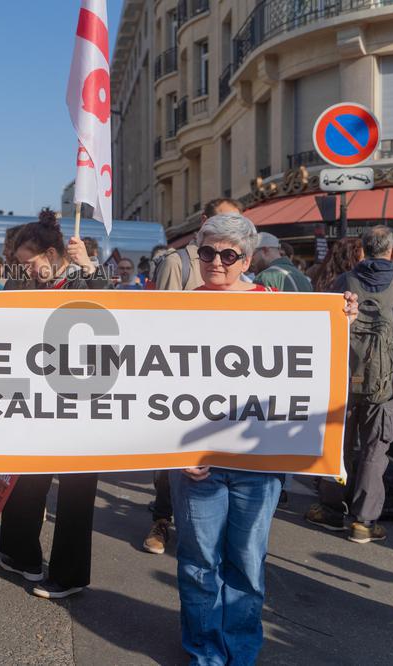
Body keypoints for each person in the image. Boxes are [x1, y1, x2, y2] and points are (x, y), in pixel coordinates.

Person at [172, 212, 357, 665]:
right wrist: (175, 448)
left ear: (248, 259)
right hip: (199, 461)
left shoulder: (275, 301)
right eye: (207, 252)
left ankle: (240, 650)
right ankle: (205, 654)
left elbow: (311, 357)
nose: (215, 262)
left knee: (248, 564)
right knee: (199, 565)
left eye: (227, 255)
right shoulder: (177, 306)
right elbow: (161, 383)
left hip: (258, 461)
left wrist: (341, 320)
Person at [0, 209, 103, 601]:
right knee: (25, 476)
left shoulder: (85, 281)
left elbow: (122, 310)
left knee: (76, 488)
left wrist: (91, 268)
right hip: (32, 396)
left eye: (32, 262)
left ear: (55, 253)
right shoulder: (18, 286)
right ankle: (19, 551)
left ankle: (69, 573)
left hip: (82, 401)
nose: (26, 270)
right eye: (21, 264)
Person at [143, 197, 243, 557]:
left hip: (227, 388)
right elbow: (162, 320)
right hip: (183, 382)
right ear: (204, 224)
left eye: (236, 227)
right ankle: (161, 520)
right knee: (173, 464)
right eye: (221, 225)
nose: (226, 239)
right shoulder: (177, 262)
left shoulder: (247, 276)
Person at [306, 226, 393, 542]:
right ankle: (364, 522)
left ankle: (330, 510)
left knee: (339, 445)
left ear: (363, 251)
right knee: (374, 452)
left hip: (342, 381)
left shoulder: (343, 283)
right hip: (385, 386)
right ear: (392, 252)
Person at [153, 198, 243, 291]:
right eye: (224, 222)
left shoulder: (239, 260)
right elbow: (166, 305)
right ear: (204, 221)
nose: (232, 230)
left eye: (238, 224)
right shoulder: (176, 263)